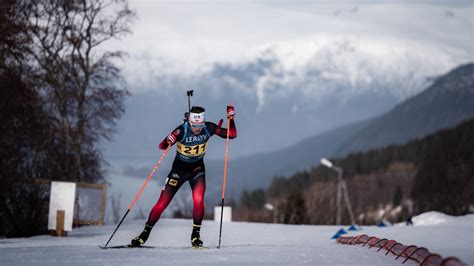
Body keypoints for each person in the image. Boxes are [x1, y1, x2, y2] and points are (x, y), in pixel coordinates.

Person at [130, 105, 237, 247]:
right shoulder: (182, 130)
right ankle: (144, 234)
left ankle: (195, 236)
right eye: (194, 125)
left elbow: (232, 134)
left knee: (198, 200)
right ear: (189, 122)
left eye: (200, 125)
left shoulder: (209, 128)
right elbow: (162, 146)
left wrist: (231, 118)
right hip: (178, 171)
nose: (197, 129)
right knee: (162, 203)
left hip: (197, 169)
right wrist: (170, 139)